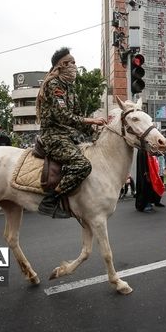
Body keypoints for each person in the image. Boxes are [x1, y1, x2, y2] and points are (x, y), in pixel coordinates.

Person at [35, 47, 107, 217]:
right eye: (72, 63)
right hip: (53, 136)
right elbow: (63, 116)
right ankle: (51, 200)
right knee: (83, 165)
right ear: (62, 65)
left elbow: (77, 118)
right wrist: (92, 120)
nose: (75, 66)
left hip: (67, 135)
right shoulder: (54, 85)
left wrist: (97, 133)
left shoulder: (70, 88)